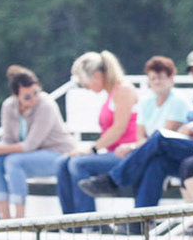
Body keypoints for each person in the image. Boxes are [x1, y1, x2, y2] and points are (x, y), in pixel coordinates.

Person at [97, 48, 193, 211]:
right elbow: (189, 127)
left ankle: (115, 180)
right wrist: (188, 130)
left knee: (160, 138)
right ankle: (139, 221)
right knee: (156, 163)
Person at [0, 65, 74, 220]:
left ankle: (19, 218)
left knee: (14, 162)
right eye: (27, 97)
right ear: (16, 96)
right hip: (31, 155)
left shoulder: (46, 105)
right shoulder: (9, 106)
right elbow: (7, 139)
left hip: (58, 154)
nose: (33, 98)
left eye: (36, 92)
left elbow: (30, 145)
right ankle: (5, 217)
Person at [57, 50, 139, 216]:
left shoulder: (123, 90)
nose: (86, 87)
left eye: (85, 83)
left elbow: (119, 129)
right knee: (63, 163)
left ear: (96, 75)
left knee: (78, 164)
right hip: (111, 153)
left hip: (126, 155)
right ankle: (70, 222)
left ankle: (88, 221)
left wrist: (92, 149)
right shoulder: (111, 94)